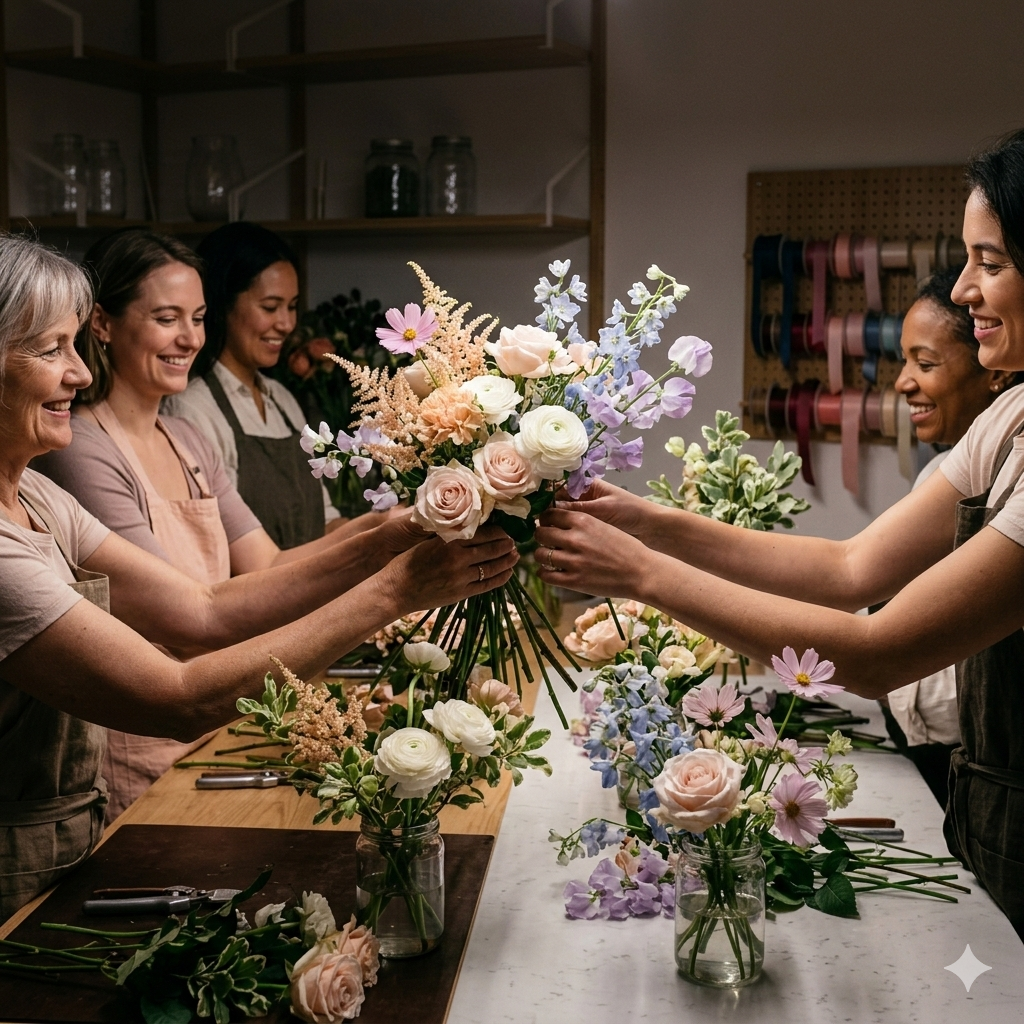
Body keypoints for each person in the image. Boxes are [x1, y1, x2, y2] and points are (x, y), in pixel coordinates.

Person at [532, 129, 1024, 939]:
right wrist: (644, 522)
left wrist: (644, 576)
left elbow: (878, 653)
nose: (966, 289)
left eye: (992, 263)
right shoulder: (1009, 413)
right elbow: (848, 568)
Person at [0, 234, 517, 918]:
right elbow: (177, 694)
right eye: (50, 350)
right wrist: (394, 589)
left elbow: (205, 609)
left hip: (73, 831)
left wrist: (389, 536)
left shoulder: (37, 496)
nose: (80, 374)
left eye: (74, 347)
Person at [34, 230, 392, 820]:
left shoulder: (186, 438)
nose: (190, 339)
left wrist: (396, 521)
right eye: (167, 318)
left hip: (222, 724)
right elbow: (192, 620)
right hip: (150, 747)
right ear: (101, 323)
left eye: (198, 318)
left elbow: (270, 566)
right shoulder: (83, 448)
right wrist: (388, 579)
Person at [884, 266, 1015, 806]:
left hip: (975, 764)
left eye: (927, 363)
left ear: (993, 372)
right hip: (927, 750)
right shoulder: (932, 476)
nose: (902, 382)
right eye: (904, 361)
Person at [162, 222, 340, 548]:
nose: (286, 324)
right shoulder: (191, 408)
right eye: (270, 307)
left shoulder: (282, 400)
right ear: (221, 305)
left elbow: (324, 519)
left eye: (292, 306)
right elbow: (216, 544)